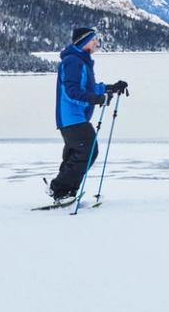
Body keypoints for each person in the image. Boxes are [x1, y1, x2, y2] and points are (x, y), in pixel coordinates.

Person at [49, 26, 127, 205]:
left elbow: (88, 88)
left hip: (76, 117)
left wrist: (111, 88)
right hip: (70, 117)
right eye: (93, 39)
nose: (96, 42)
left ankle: (65, 192)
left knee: (76, 155)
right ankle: (58, 188)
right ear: (84, 41)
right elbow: (71, 92)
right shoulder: (73, 62)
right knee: (88, 151)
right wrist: (97, 99)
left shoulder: (81, 61)